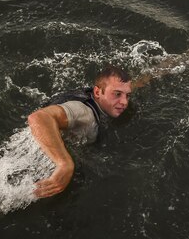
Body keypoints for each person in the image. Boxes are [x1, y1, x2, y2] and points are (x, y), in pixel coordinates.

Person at [29, 65, 138, 198]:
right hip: (33, 168)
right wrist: (65, 164)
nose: (125, 102)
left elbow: (129, 86)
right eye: (117, 94)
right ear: (98, 92)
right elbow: (38, 118)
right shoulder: (85, 114)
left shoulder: (93, 96)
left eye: (128, 95)